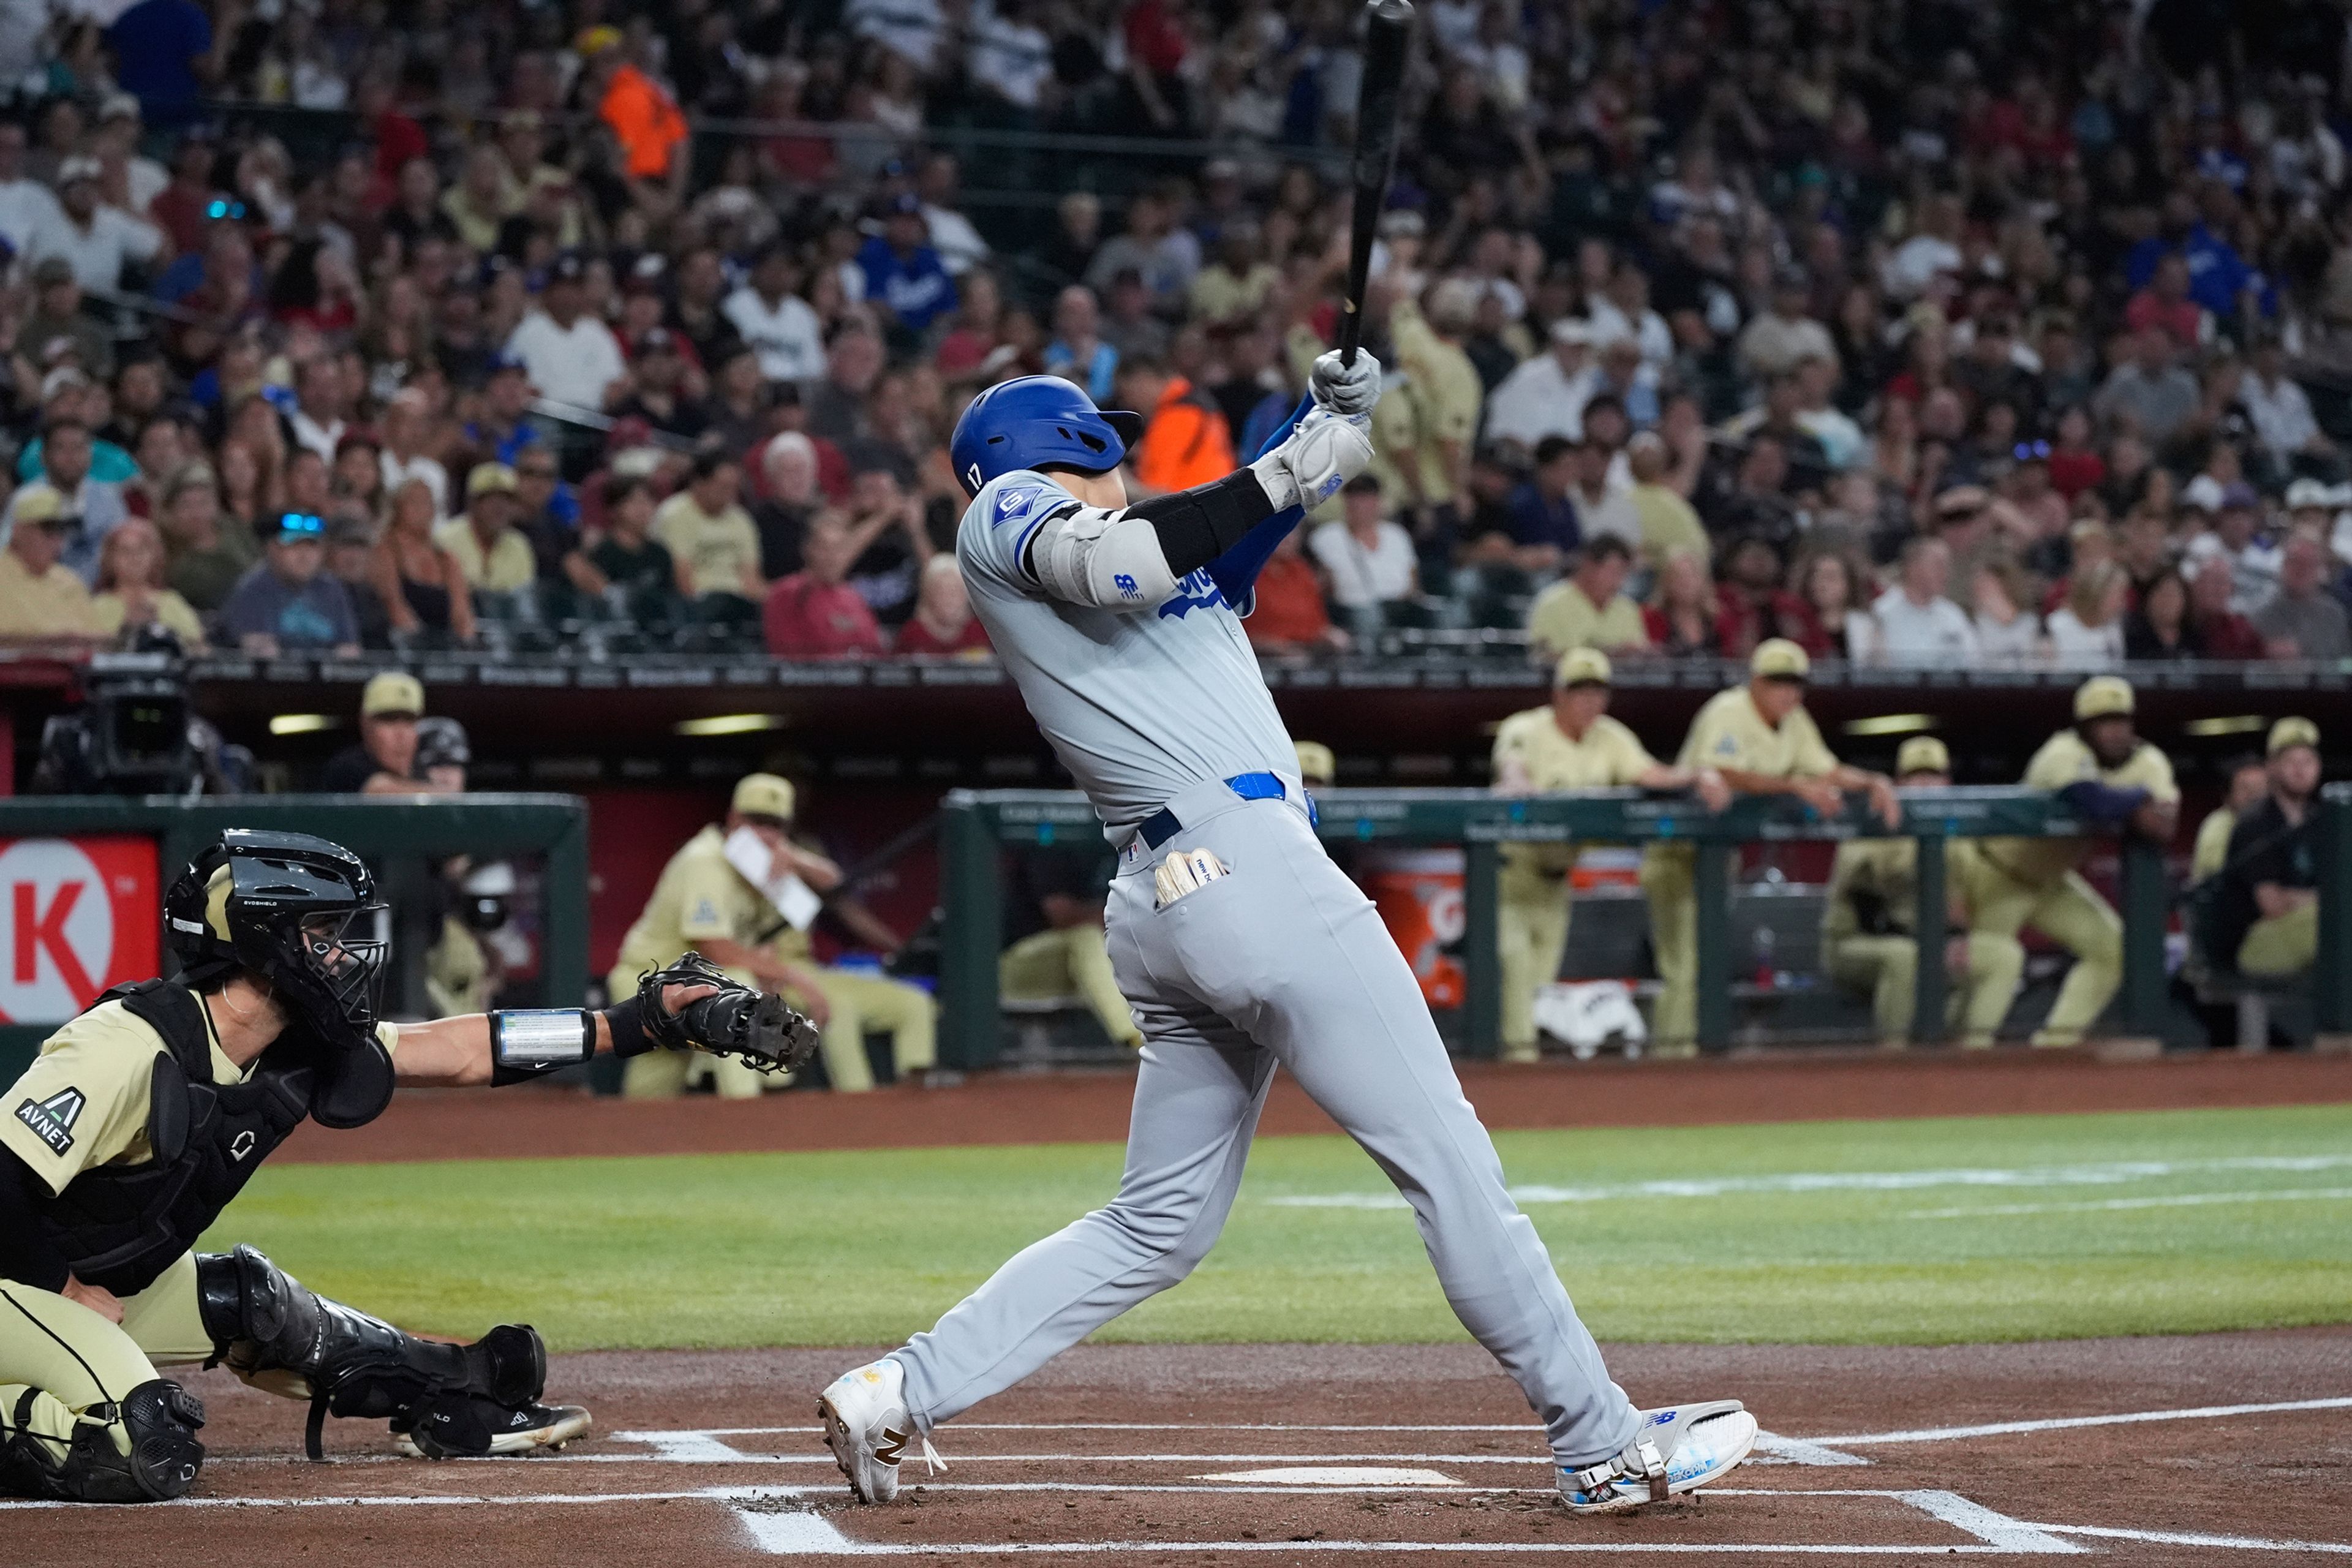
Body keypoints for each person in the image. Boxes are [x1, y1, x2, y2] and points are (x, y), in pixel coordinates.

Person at [818, 368, 1761, 1518]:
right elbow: (1131, 558)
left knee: (1155, 1224)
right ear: (1050, 443)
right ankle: (1601, 1442)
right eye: (1104, 447)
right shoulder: (1005, 510)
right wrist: (1280, 467)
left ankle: (900, 1388)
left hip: (1170, 900)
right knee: (1449, 1163)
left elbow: (1211, 541)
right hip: (1246, 870)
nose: (1124, 463)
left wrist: (1319, 435)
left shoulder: (1152, 558)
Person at [0, 830, 804, 1502]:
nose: (345, 954)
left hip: (69, 1290)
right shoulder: (120, 1049)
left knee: (251, 1300)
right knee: (142, 1442)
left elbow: (459, 1051)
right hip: (25, 1284)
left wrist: (635, 1026)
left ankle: (448, 1396)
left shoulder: (287, 1048)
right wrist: (67, 1292)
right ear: (261, 943)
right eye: (322, 935)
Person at [1640, 640, 1899, 1053]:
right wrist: (1794, 785)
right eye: (1778, 682)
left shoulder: (1795, 722)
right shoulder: (1729, 711)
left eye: (1795, 683)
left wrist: (1873, 782)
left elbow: (1827, 769)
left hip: (1718, 856)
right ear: (1756, 683)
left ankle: (1683, 1056)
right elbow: (1723, 771)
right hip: (1677, 854)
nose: (1789, 692)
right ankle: (1671, 1059)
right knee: (1684, 966)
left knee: (1702, 964)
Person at [614, 775, 933, 1096]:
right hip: (650, 977)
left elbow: (833, 888)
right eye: (755, 822)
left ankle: (630, 1133)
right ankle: (749, 1110)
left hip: (697, 980)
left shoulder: (762, 867)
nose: (764, 834)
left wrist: (793, 859)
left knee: (656, 1081)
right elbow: (715, 947)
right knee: (736, 991)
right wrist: (792, 975)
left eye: (774, 825)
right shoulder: (706, 861)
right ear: (733, 819)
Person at [1492, 649, 1722, 1063]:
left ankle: (1522, 1081)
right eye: (1579, 691)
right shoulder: (1527, 728)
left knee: (1539, 988)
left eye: (1597, 692)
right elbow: (1512, 765)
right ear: (1558, 694)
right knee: (1514, 976)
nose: (1589, 701)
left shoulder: (1611, 737)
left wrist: (1699, 774)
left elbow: (1651, 774)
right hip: (1511, 877)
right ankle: (1513, 1076)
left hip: (1556, 882)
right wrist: (1517, 781)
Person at [1966, 677, 2178, 1048]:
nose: (2115, 731)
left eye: (2121, 721)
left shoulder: (2150, 759)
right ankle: (1962, 1058)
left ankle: (2054, 1045)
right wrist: (2139, 798)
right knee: (1988, 969)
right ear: (2085, 728)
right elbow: (2093, 802)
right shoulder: (2061, 752)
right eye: (2104, 723)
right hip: (1998, 873)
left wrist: (2137, 805)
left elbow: (2164, 827)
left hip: (2052, 882)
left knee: (2113, 950)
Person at [1820, 737, 2016, 1049]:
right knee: (1904, 958)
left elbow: (1963, 894)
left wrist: (1958, 935)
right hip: (1858, 943)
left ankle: (1970, 1051)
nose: (1925, 785)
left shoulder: (1957, 834)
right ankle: (1894, 1054)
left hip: (1928, 943)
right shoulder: (1872, 820)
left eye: (1933, 777)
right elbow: (1869, 889)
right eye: (1915, 777)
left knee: (2003, 956)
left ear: (1947, 783)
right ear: (1899, 783)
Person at [997, 840, 1141, 1052]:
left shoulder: (1132, 846)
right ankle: (1135, 1038)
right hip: (1017, 968)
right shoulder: (1049, 842)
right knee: (1086, 936)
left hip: (1077, 969)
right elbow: (1061, 915)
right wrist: (1127, 915)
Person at [2209, 718, 2323, 978]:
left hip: (2301, 932)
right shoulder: (2255, 822)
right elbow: (2273, 905)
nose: (2300, 770)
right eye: (2291, 762)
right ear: (2272, 767)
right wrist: (2329, 901)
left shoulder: (2321, 820)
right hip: (2253, 943)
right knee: (2337, 922)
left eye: (2308, 761)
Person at [214, 511, 360, 656]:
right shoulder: (253, 588)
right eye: (294, 546)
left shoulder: (330, 588)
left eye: (311, 546)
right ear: (272, 549)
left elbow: (349, 648)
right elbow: (258, 648)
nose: (304, 555)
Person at [765, 521, 887, 658]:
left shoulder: (853, 597)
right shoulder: (788, 593)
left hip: (861, 676)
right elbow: (790, 656)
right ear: (807, 549)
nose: (832, 557)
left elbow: (875, 652)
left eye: (839, 548)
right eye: (824, 548)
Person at [1309, 473, 1417, 624]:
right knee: (1368, 618)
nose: (1359, 503)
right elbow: (1325, 587)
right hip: (1349, 612)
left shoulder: (1397, 535)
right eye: (1353, 496)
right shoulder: (1327, 536)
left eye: (1366, 497)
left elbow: (1413, 581)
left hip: (1399, 609)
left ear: (1378, 500)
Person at [0, 486, 101, 639]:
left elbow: (98, 638)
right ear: (18, 531)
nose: (57, 540)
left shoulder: (70, 580)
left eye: (62, 531)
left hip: (73, 662)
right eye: (48, 529)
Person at [89, 517, 205, 648]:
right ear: (109, 559)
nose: (134, 558)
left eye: (141, 550)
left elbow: (198, 647)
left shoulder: (171, 602)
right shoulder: (97, 607)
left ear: (155, 557)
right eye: (125, 551)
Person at [1526, 535, 1648, 658]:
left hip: (1620, 677)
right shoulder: (1551, 604)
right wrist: (1609, 654)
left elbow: (1639, 655)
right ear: (1588, 565)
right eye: (1613, 572)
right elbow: (1542, 658)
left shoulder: (1627, 608)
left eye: (1623, 574)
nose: (1618, 583)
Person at [317, 671, 439, 794]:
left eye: (410, 721)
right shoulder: (347, 768)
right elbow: (381, 789)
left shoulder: (423, 768)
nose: (401, 734)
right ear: (365, 724)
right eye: (389, 720)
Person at [1871, 537, 1980, 666]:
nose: (1946, 574)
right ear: (1913, 568)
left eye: (1947, 566)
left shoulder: (1953, 614)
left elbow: (1974, 664)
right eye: (1939, 565)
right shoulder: (1882, 612)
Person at [434, 464, 536, 599]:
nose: (499, 508)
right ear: (473, 504)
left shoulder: (520, 546)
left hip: (505, 618)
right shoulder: (445, 539)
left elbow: (524, 601)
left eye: (506, 500)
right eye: (490, 499)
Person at [2253, 532, 2351, 662]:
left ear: (2319, 569)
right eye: (2296, 562)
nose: (2302, 570)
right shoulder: (2260, 613)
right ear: (2283, 565)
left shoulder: (2335, 615)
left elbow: (2347, 664)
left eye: (2309, 564)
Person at [2193, 755, 2271, 884]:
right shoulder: (2216, 826)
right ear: (2227, 797)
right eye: (2245, 788)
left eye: (2262, 786)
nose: (2256, 794)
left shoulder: (2276, 819)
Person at [894, 554, 990, 656]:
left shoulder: (979, 633)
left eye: (954, 592)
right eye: (941, 592)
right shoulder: (912, 635)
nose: (948, 600)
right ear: (927, 594)